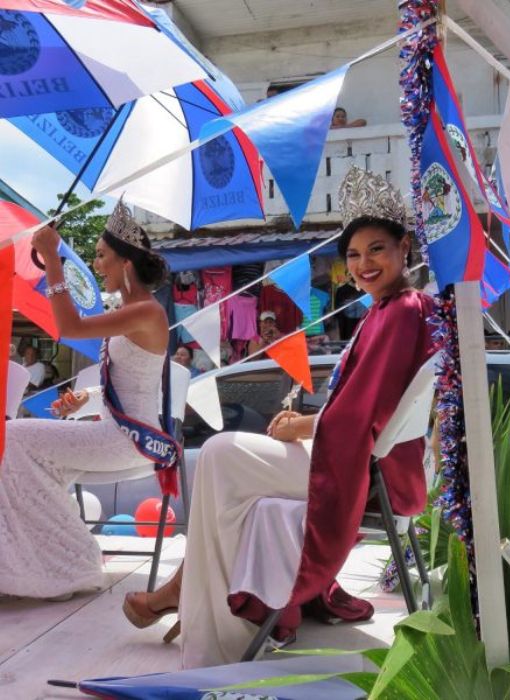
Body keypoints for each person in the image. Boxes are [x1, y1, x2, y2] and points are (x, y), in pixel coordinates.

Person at [123, 166, 436, 668]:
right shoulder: (388, 310)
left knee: (222, 452)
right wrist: (311, 420)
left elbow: (366, 412)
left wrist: (306, 425)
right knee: (236, 483)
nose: (363, 264)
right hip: (364, 457)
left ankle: (210, 627)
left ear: (404, 248)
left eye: (376, 249)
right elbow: (361, 403)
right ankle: (202, 605)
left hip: (369, 471)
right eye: (353, 255)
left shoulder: (401, 311)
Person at [0, 199, 175, 600]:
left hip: (131, 440)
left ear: (126, 263)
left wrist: (53, 260)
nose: (97, 266)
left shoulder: (146, 312)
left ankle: (71, 562)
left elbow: (68, 326)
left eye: (101, 256)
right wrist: (88, 398)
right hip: (117, 433)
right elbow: (135, 383)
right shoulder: (134, 311)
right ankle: (46, 563)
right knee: (20, 449)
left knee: (13, 439)